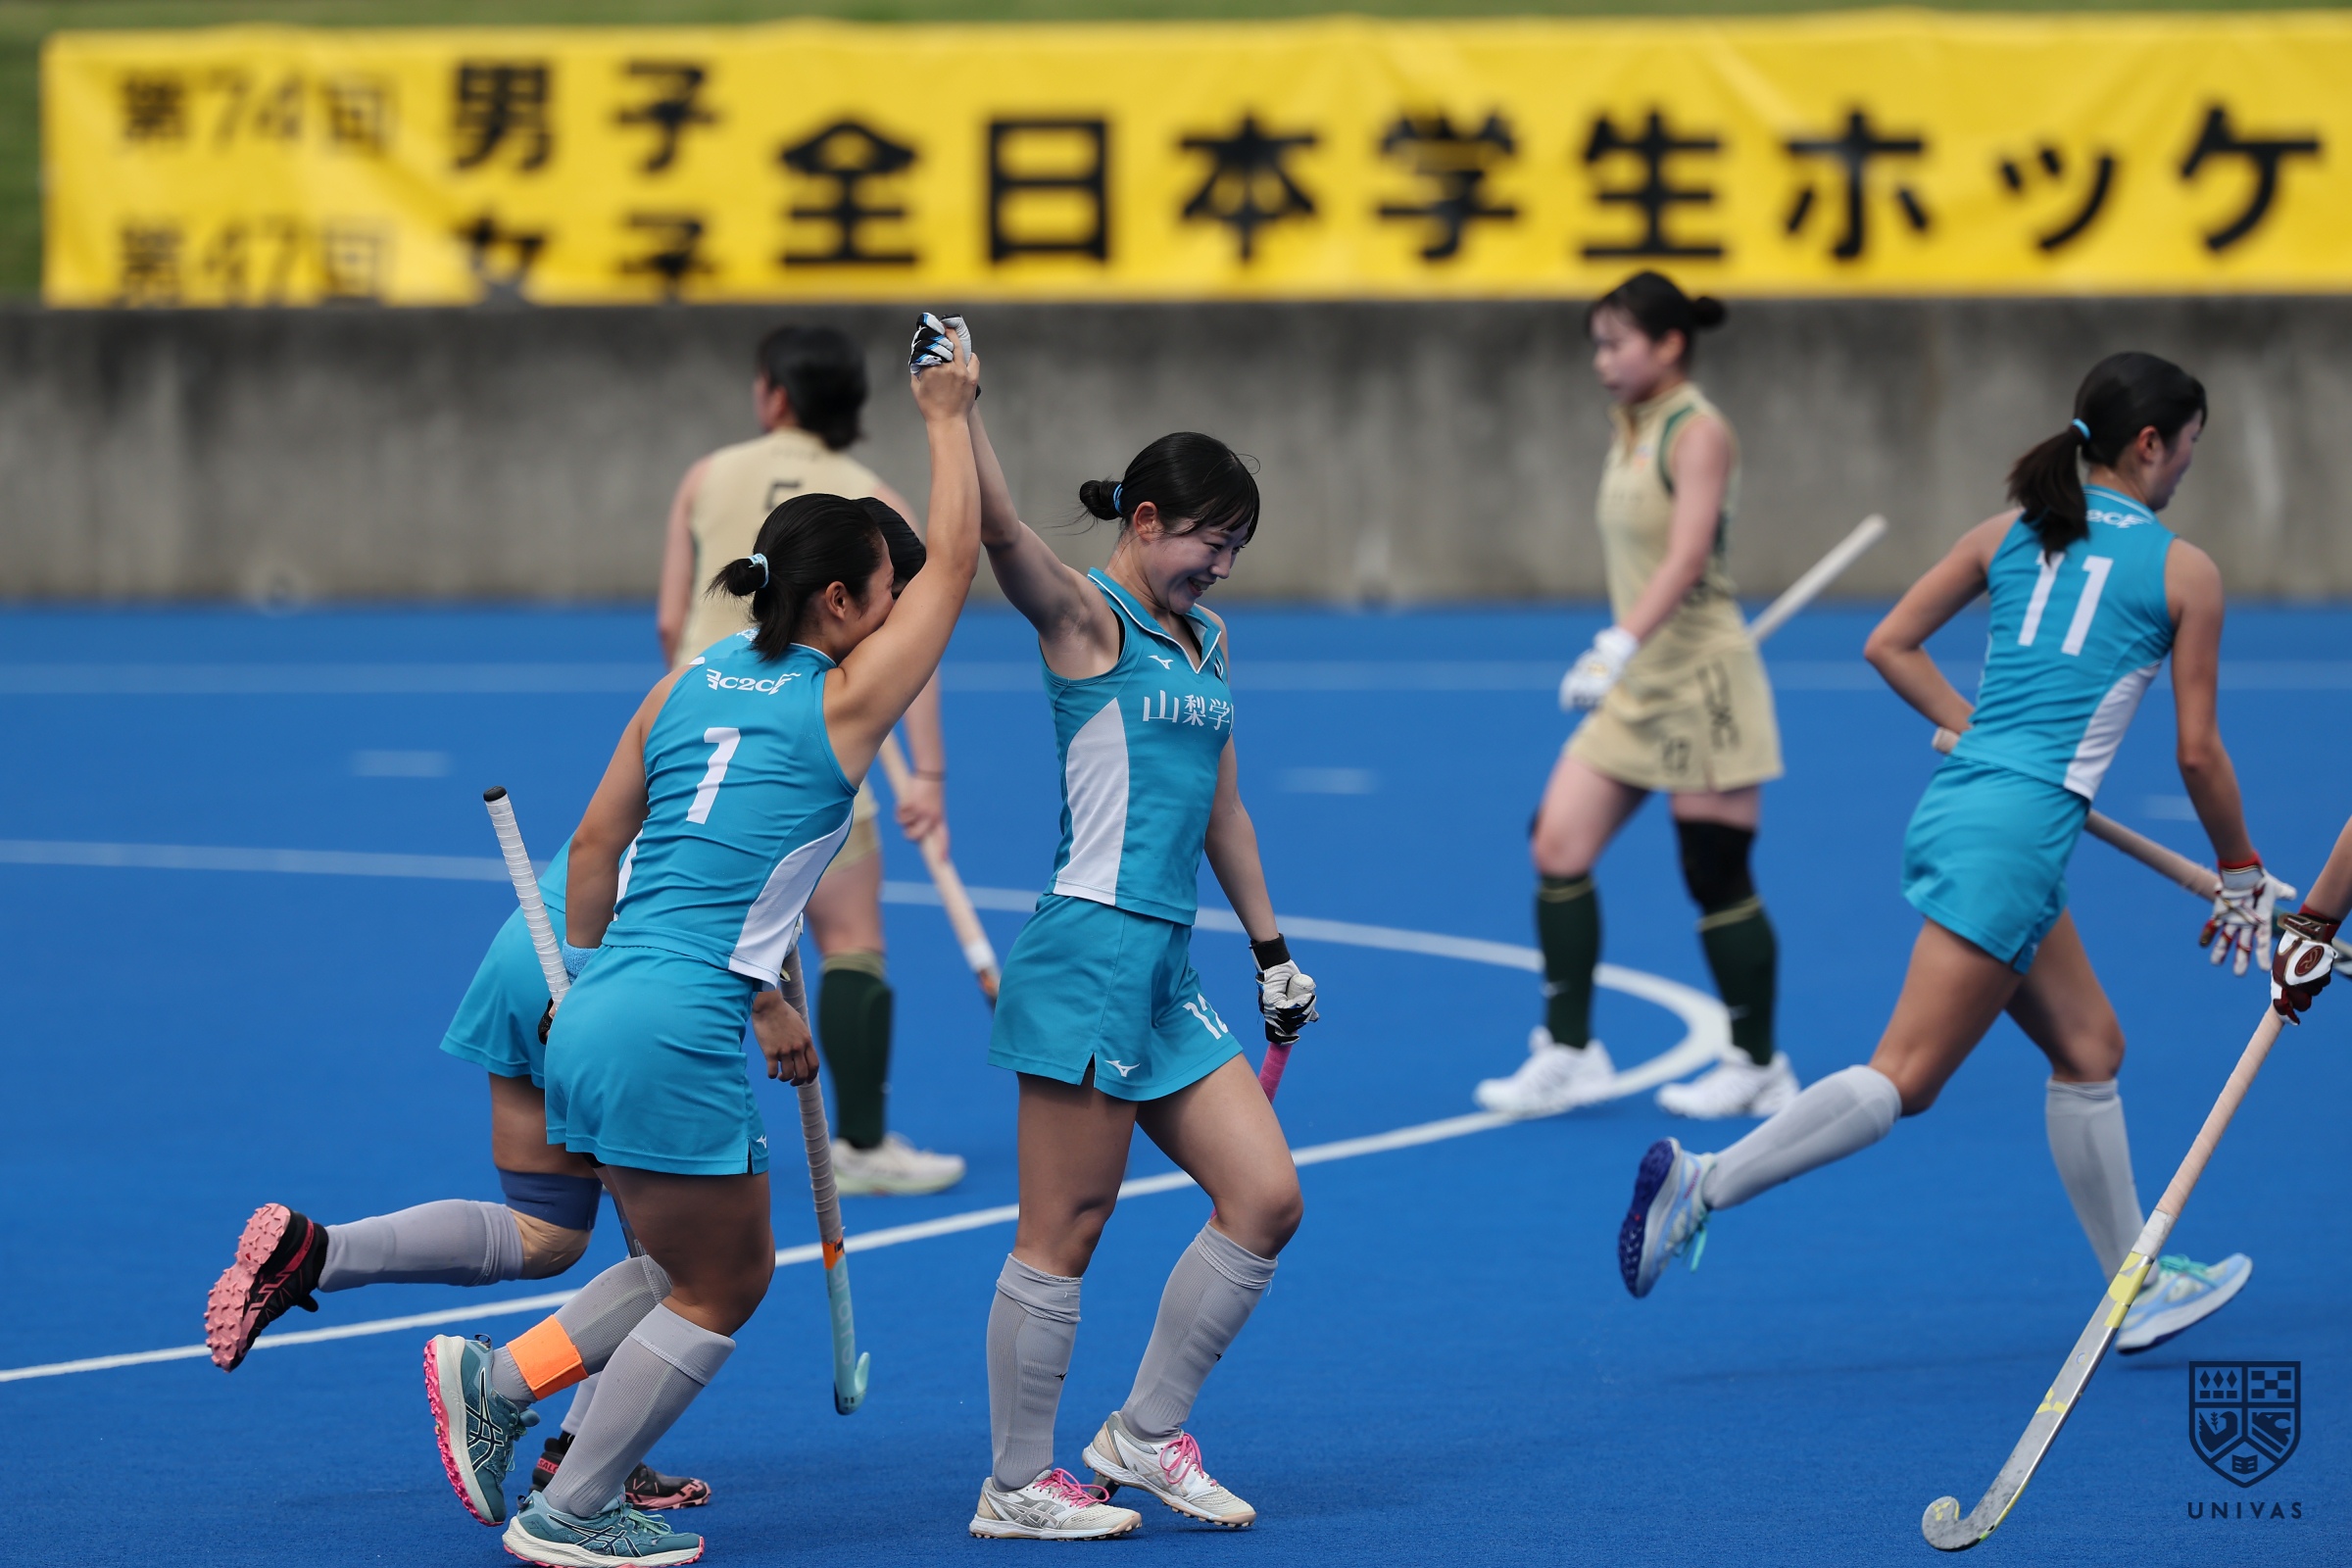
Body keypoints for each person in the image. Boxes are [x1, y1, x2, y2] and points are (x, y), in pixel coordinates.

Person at [424, 323, 982, 1567]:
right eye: (881, 597)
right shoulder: (844, 701)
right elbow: (955, 566)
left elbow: (592, 852)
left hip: (595, 997)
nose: (897, 613)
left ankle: (502, 1389)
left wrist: (581, 993)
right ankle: (574, 1506)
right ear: (838, 603)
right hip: (674, 1024)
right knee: (725, 1283)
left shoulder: (694, 680)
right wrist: (948, 415)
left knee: (678, 1260)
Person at [1622, 351, 2271, 1357]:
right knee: (1906, 1077)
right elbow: (2198, 754)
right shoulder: (2184, 570)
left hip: (1968, 809)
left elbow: (1889, 643)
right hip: (2016, 836)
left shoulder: (2006, 533)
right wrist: (2241, 874)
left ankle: (2133, 1287)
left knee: (2089, 1048)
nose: (2188, 464)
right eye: (2189, 445)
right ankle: (1704, 1184)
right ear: (2152, 444)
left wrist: (1980, 733)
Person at [958, 357, 1321, 1541]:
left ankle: (1144, 1435)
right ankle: (1017, 1483)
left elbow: (1225, 810)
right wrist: (954, 412)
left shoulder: (1207, 641)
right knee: (1065, 1229)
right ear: (1147, 518)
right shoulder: (1086, 619)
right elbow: (1000, 530)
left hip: (1167, 969)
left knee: (1265, 1198)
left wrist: (1271, 952)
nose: (1223, 567)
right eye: (1212, 541)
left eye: (1238, 548)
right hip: (1089, 953)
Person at [202, 842, 708, 1510]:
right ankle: (558, 1438)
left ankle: (317, 1251)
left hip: (536, 946)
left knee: (546, 1230)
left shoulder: (666, 764)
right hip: (621, 983)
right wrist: (766, 1006)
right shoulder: (794, 793)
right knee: (690, 1264)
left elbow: (595, 842)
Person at [1476, 271, 1796, 1122]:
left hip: (1701, 681)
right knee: (1556, 843)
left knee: (1713, 870)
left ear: (1670, 344)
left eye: (1616, 344)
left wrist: (1615, 643)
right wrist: (1624, 656)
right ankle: (1572, 1053)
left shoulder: (1698, 431)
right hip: (1638, 681)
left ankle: (1759, 1064)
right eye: (1597, 345)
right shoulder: (1630, 429)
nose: (1602, 361)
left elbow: (1687, 557)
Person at [658, 321, 962, 1198]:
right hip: (820, 739)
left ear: (775, 395)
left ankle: (654, 1130)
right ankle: (861, 1145)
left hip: (696, 739)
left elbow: (670, 619)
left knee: (678, 929)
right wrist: (927, 773)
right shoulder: (873, 498)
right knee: (852, 941)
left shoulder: (706, 476)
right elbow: (912, 642)